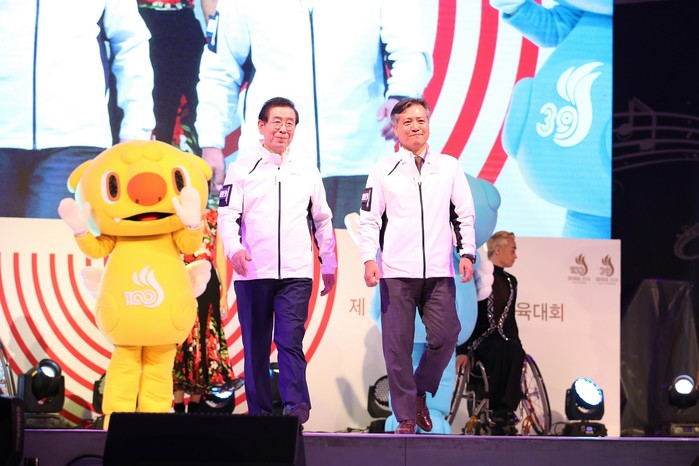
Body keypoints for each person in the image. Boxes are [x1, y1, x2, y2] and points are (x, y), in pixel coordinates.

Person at [195, 0, 433, 227]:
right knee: (269, 255)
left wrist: (401, 96)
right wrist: (211, 141)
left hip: (360, 162)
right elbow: (220, 70)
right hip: (270, 163)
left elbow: (410, 52)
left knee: (359, 255)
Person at [358, 98, 477, 434]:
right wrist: (369, 259)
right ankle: (406, 417)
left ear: (429, 124)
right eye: (407, 121)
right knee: (396, 348)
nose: (415, 126)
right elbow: (369, 220)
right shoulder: (383, 169)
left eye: (420, 120)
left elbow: (463, 214)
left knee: (447, 335)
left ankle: (420, 392)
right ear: (395, 128)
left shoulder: (448, 167)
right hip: (396, 273)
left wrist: (467, 253)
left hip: (439, 272)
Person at [216, 97, 337, 424]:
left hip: (296, 274)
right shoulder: (241, 169)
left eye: (290, 123)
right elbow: (227, 215)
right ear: (262, 126)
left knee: (289, 341)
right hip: (253, 272)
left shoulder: (307, 170)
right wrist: (234, 249)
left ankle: (295, 407)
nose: (283, 129)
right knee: (255, 347)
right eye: (277, 122)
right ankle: (259, 413)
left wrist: (329, 263)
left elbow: (322, 219)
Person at [0, 0, 154, 219]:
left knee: (52, 239)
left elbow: (130, 42)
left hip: (74, 139)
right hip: (5, 130)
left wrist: (136, 129)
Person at [173, 208, 243, 413]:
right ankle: (178, 405)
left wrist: (224, 294)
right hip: (181, 280)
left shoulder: (214, 217)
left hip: (208, 284)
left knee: (205, 338)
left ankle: (195, 404)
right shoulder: (177, 215)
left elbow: (219, 256)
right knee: (181, 337)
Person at [456, 230, 525, 436]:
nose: (515, 255)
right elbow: (467, 313)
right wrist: (462, 350)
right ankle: (495, 409)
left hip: (503, 340)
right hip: (480, 341)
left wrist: (518, 344)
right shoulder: (478, 274)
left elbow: (510, 319)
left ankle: (506, 410)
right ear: (498, 250)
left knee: (514, 350)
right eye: (513, 250)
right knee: (498, 350)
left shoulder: (512, 281)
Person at [136, 0, 210, 155]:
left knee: (191, 105)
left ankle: (184, 165)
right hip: (138, 26)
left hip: (184, 28)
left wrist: (216, 41)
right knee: (142, 99)